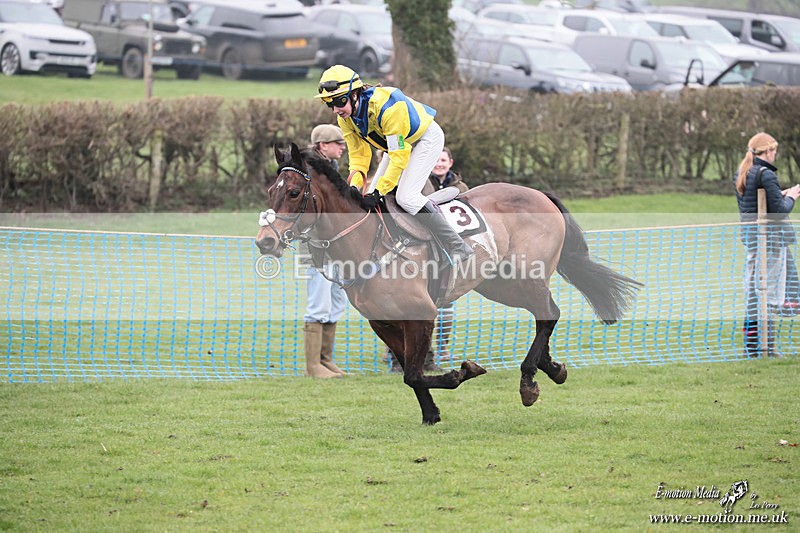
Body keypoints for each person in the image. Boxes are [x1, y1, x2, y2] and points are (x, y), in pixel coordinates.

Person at [314, 64, 474, 265]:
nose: (336, 110)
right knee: (368, 196)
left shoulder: (388, 107)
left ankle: (456, 244)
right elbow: (359, 156)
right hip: (396, 146)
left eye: (340, 101)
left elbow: (399, 155)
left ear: (355, 93)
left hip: (424, 140)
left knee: (406, 197)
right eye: (331, 105)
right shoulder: (345, 118)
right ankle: (396, 245)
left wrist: (379, 191)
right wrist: (354, 187)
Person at [734, 132, 800, 357]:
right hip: (771, 242)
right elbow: (779, 212)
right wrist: (791, 196)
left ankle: (751, 347)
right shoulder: (766, 174)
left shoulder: (745, 172)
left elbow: (758, 205)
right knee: (769, 296)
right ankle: (767, 347)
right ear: (769, 151)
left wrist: (778, 195)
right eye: (774, 150)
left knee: (754, 295)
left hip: (753, 241)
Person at [302, 124, 349, 378]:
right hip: (316, 247)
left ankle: (325, 360)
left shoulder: (331, 169)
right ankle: (312, 367)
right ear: (322, 146)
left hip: (337, 247)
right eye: (337, 143)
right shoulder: (309, 173)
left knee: (336, 301)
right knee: (318, 302)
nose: (342, 147)